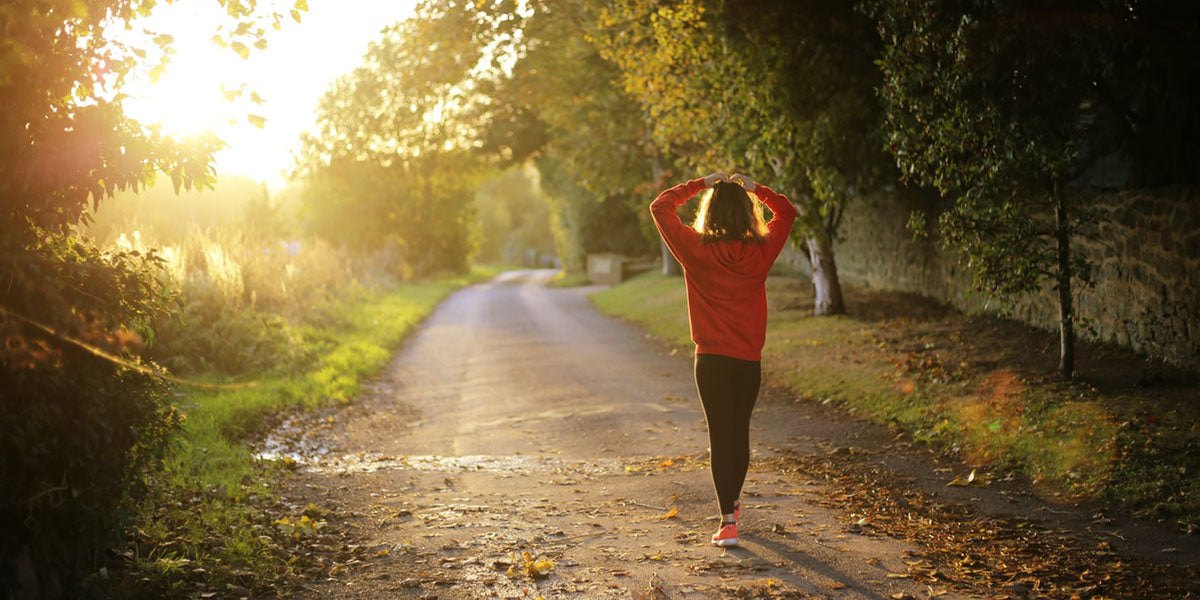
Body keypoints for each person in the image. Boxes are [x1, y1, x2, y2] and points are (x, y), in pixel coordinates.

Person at [649, 171, 798, 547]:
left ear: (710, 212)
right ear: (747, 213)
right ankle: (732, 504)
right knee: (739, 432)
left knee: (720, 436)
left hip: (711, 361)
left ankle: (728, 521)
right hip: (747, 361)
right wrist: (756, 189)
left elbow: (661, 206)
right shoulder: (761, 251)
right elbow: (787, 212)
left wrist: (700, 183)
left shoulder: (695, 249)